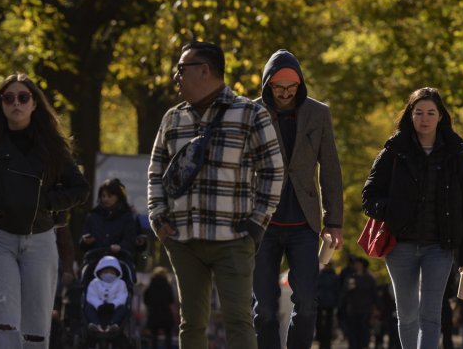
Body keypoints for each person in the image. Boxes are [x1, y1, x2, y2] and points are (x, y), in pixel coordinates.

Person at [147, 41, 286, 349]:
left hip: (233, 239)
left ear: (205, 70)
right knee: (191, 323)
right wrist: (158, 218)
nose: (176, 77)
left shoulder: (250, 114)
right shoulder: (172, 118)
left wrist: (255, 224)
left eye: (182, 69)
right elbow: (156, 171)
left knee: (239, 320)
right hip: (182, 241)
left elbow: (273, 171)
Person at [0, 74, 90, 349]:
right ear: (0, 105)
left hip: (40, 239)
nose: (15, 103)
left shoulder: (53, 146)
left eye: (22, 97)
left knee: (36, 326)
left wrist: (47, 202)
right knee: (2, 320)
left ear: (34, 104)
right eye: (8, 98)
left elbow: (79, 189)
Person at [361, 87, 463, 349]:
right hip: (399, 246)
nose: (424, 119)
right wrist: (393, 210)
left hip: (439, 247)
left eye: (430, 113)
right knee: (406, 315)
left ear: (441, 117)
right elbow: (369, 197)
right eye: (418, 113)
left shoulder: (459, 161)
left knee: (430, 314)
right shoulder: (392, 153)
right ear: (410, 115)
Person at [252, 50, 345, 349]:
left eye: (291, 88)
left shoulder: (319, 114)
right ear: (267, 85)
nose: (285, 94)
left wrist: (334, 222)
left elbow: (330, 168)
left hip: (304, 223)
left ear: (300, 85)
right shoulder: (252, 114)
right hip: (262, 223)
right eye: (278, 88)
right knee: (264, 308)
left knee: (306, 303)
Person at [80, 178, 141, 266]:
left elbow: (131, 239)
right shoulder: (93, 215)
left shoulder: (128, 216)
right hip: (95, 261)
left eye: (109, 196)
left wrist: (121, 247)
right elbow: (83, 239)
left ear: (118, 197)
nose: (105, 199)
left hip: (121, 261)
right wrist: (85, 241)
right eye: (103, 196)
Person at [83, 255, 128, 332]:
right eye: (106, 271)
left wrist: (113, 304)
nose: (109, 274)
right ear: (100, 271)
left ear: (117, 272)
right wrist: (99, 305)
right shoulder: (94, 283)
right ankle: (96, 324)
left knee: (122, 308)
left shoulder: (121, 283)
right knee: (88, 308)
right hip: (98, 309)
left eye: (112, 272)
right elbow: (91, 296)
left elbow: (122, 296)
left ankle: (113, 325)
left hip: (114, 309)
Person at [142, 267, 177, 349]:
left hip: (153, 314)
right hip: (166, 314)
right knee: (168, 337)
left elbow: (145, 301)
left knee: (154, 337)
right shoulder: (167, 286)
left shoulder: (150, 287)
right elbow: (171, 300)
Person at [315, 262, 341, 349]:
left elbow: (337, 291)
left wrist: (337, 304)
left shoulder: (334, 277)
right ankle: (321, 341)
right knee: (319, 324)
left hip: (330, 304)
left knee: (328, 325)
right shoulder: (319, 275)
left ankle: (327, 343)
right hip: (320, 303)